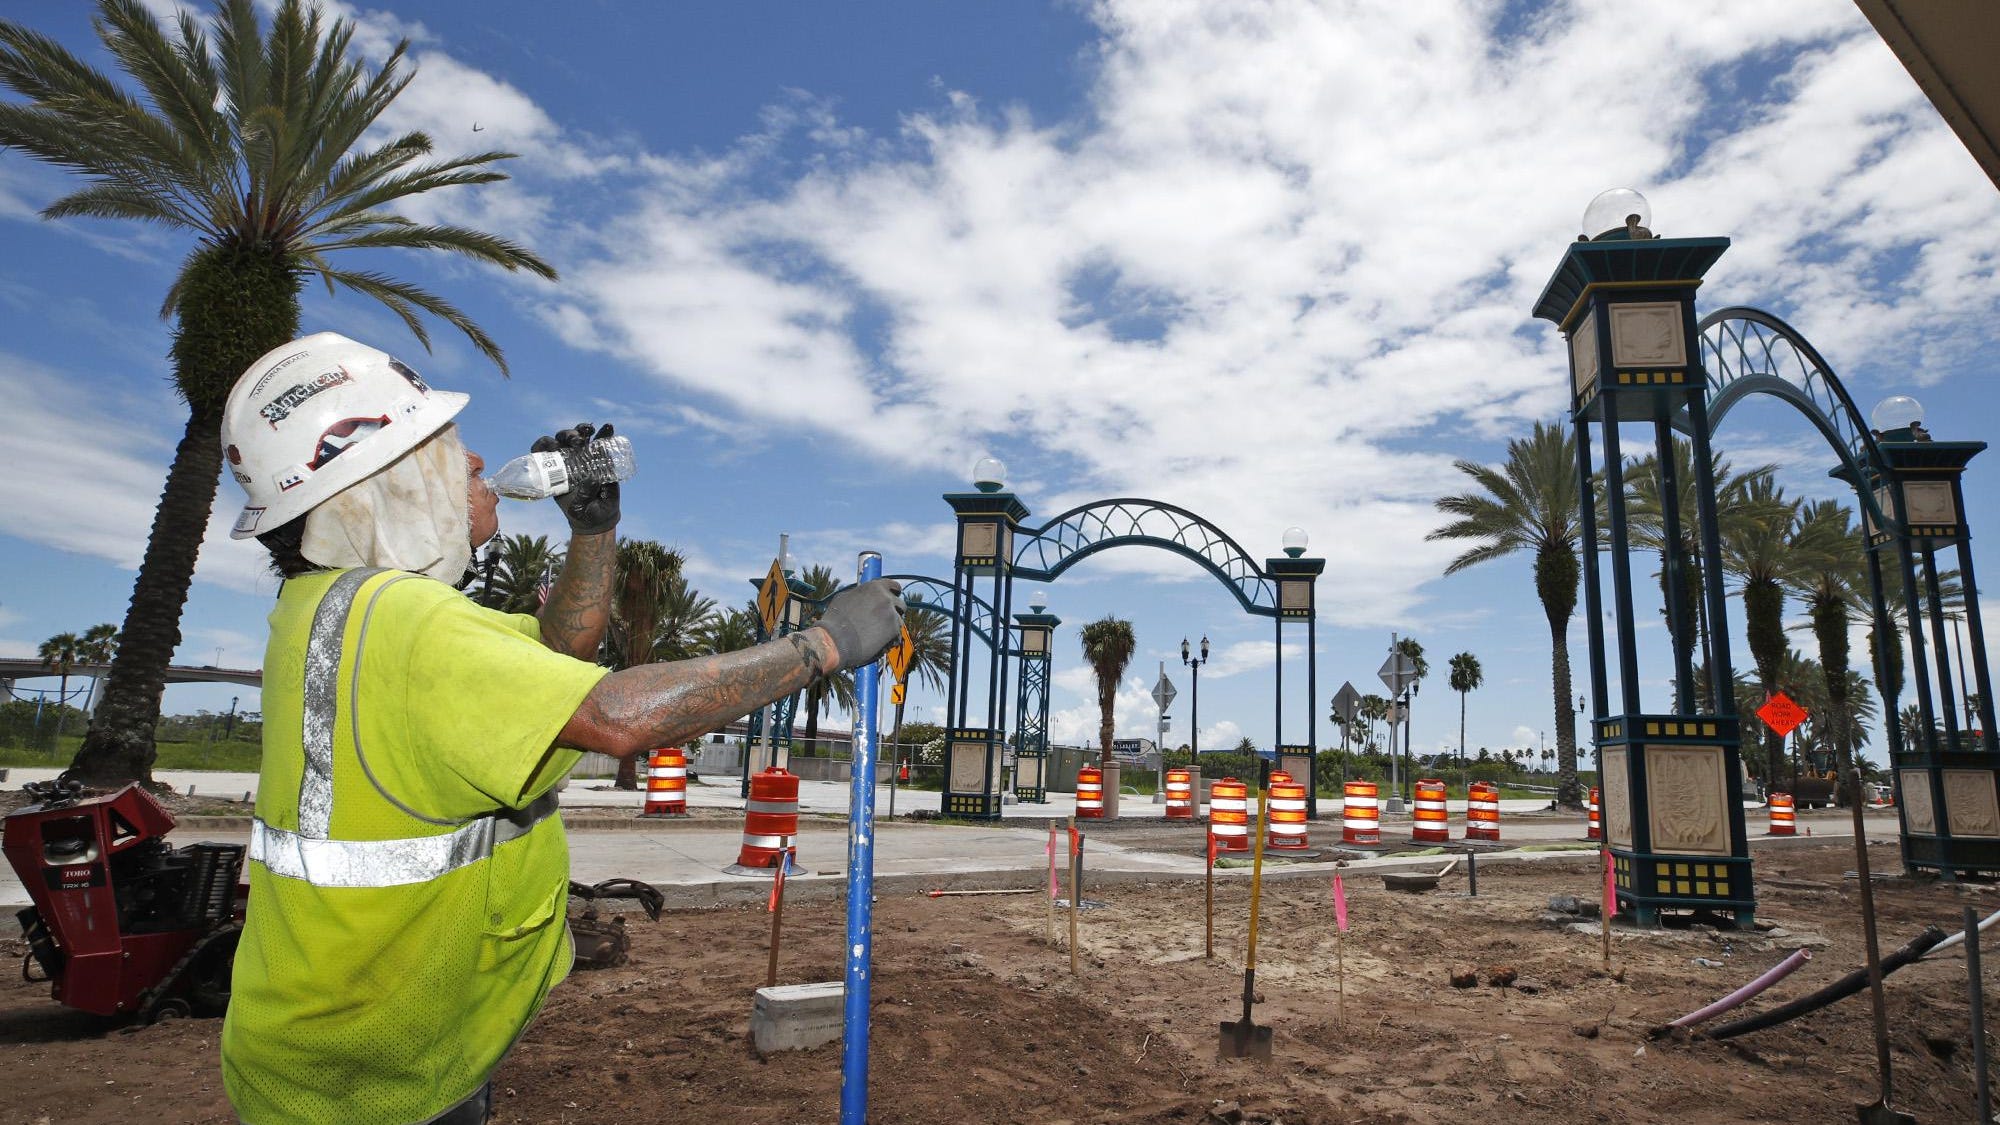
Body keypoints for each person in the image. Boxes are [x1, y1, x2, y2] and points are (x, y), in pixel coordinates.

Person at [213, 332, 903, 1125]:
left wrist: (593, 531)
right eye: (449, 448)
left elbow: (553, 659)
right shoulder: (397, 618)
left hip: (356, 1057)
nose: (475, 466)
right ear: (382, 483)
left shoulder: (334, 613)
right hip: (368, 1089)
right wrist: (822, 645)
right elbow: (611, 716)